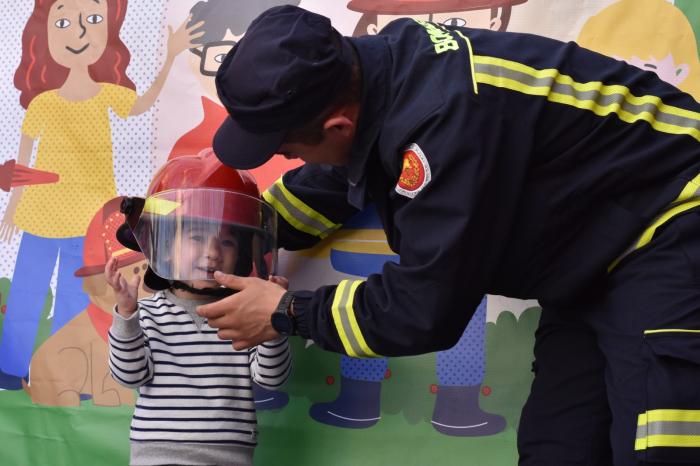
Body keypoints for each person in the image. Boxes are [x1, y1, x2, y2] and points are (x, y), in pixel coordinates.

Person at [200, 5, 700, 466]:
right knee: (558, 448)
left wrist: (287, 312)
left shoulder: (444, 122)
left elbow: (423, 308)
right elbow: (334, 177)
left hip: (673, 219)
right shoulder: (379, 73)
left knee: (660, 446)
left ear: (337, 125)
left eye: (287, 148)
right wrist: (217, 232)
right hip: (590, 258)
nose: (288, 159)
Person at [0, 0, 202, 389]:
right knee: (28, 287)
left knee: (76, 297)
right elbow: (24, 164)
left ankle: (65, 374)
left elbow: (143, 105)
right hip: (42, 213)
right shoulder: (42, 103)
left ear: (107, 32)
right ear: (44, 36)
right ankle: (11, 369)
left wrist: (171, 57)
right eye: (63, 21)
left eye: (92, 20)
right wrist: (12, 210)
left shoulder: (108, 94)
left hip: (87, 216)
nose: (77, 32)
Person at [107, 150, 291, 466]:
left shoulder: (243, 314)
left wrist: (272, 317)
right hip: (157, 456)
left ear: (245, 255)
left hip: (231, 457)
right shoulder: (147, 314)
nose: (211, 253)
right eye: (195, 237)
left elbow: (272, 378)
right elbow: (129, 375)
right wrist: (127, 316)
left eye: (227, 242)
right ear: (164, 246)